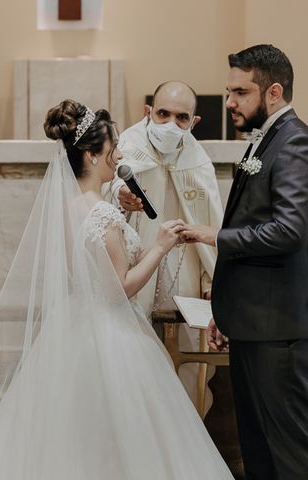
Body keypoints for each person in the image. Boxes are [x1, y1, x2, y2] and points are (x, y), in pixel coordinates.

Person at [0, 100, 233, 479]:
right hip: (109, 335)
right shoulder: (102, 213)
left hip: (73, 325)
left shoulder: (69, 207)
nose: (120, 154)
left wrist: (127, 221)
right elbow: (118, 289)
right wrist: (159, 246)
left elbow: (90, 272)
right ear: (93, 155)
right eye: (113, 148)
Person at [182, 45, 308, 479]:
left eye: (240, 92)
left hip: (279, 335)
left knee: (289, 456)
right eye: (229, 90)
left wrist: (213, 235)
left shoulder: (294, 143)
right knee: (258, 453)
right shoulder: (266, 139)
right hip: (253, 324)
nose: (230, 102)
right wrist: (226, 307)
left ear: (273, 92)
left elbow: (290, 230)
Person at [107, 81, 224, 409]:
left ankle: (184, 433)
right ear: (148, 111)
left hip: (183, 273)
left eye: (181, 118)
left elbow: (212, 225)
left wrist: (212, 281)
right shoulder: (125, 147)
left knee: (187, 365)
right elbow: (97, 194)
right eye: (162, 114)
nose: (171, 124)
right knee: (130, 362)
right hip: (135, 270)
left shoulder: (198, 162)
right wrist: (120, 197)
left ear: (194, 122)